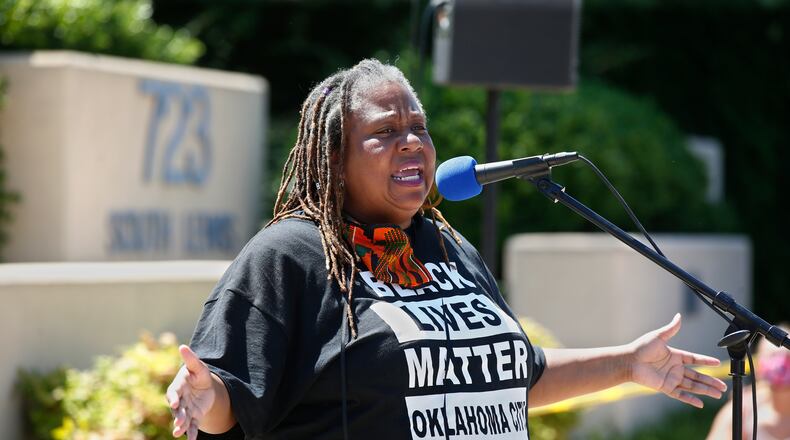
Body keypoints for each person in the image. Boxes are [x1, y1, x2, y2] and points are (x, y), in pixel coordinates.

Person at [166, 59, 727, 440]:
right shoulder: (291, 255)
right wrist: (204, 395)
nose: (411, 140)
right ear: (335, 159)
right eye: (385, 132)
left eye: (419, 128)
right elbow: (233, 400)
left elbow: (514, 380)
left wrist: (627, 363)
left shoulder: (446, 245)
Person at [707, 325, 790, 440]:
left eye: (787, 357)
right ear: (758, 366)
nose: (780, 365)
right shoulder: (742, 408)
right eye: (772, 356)